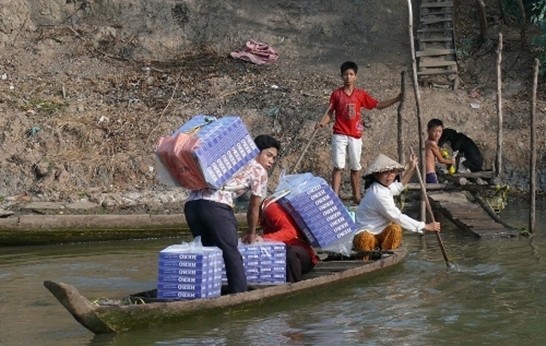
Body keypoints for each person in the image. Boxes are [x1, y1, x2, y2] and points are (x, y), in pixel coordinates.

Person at [183, 134, 280, 293]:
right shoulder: (259, 170)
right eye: (268, 155)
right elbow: (254, 208)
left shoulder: (231, 160)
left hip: (191, 206)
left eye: (274, 158)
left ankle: (208, 292)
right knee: (232, 255)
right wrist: (252, 232)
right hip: (215, 208)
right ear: (256, 152)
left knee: (208, 252)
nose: (271, 161)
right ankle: (240, 296)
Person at [315, 61, 402, 205]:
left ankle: (356, 196)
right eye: (345, 75)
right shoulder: (336, 94)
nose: (348, 77)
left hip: (355, 135)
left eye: (351, 74)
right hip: (339, 134)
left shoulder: (360, 95)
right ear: (341, 77)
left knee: (355, 166)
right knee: (338, 166)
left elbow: (378, 105)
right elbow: (329, 112)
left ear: (355, 76)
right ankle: (335, 196)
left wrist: (396, 99)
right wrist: (322, 123)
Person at [353, 153, 441, 255]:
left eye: (392, 172)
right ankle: (367, 259)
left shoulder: (384, 186)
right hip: (367, 234)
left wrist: (411, 168)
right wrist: (425, 226)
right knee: (365, 238)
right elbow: (398, 217)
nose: (390, 175)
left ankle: (386, 254)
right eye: (385, 172)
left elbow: (398, 187)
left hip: (381, 233)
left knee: (395, 229)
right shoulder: (377, 194)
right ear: (376, 174)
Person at [259, 199, 319, 283]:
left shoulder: (271, 209)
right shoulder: (266, 211)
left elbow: (290, 232)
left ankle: (292, 284)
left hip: (301, 256)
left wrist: (263, 239)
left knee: (288, 251)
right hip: (289, 258)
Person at [425, 118, 455, 183]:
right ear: (428, 131)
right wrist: (451, 161)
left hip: (427, 173)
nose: (437, 134)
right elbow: (441, 160)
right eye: (435, 131)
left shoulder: (427, 142)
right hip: (431, 173)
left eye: (440, 131)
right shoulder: (432, 143)